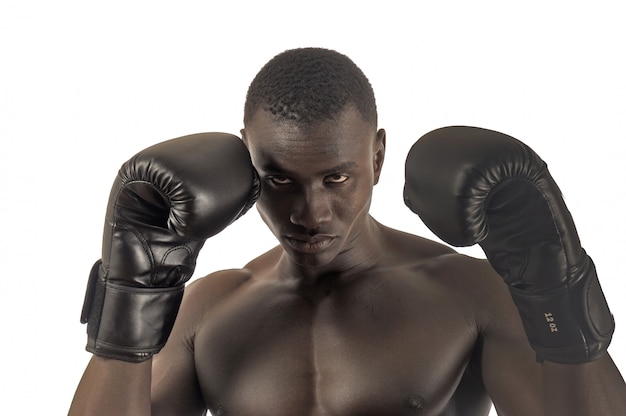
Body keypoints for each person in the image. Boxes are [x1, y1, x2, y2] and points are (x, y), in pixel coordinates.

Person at [69, 47, 626, 415]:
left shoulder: (470, 294)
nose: (310, 213)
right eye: (279, 179)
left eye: (337, 177)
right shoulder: (207, 309)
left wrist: (557, 290)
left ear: (377, 157)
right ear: (247, 165)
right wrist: (129, 309)